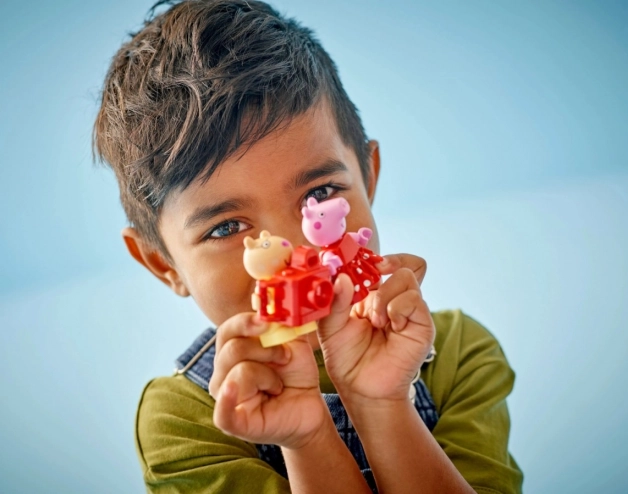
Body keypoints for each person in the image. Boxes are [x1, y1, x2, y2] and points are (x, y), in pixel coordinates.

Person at [93, 1, 524, 492]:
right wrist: (307, 440)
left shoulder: (459, 353)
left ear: (369, 176)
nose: (297, 250)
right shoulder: (181, 421)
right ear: (161, 263)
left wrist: (384, 406)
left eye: (320, 194)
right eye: (225, 227)